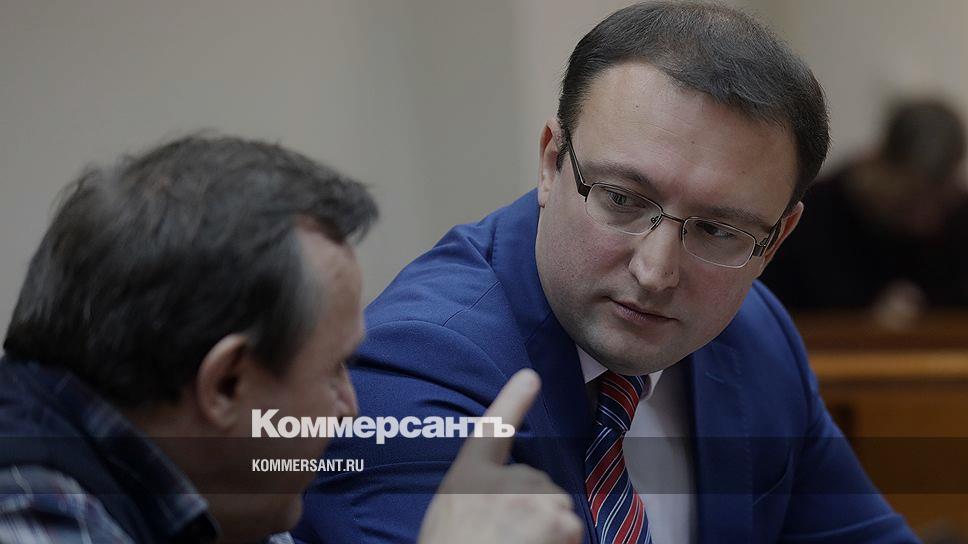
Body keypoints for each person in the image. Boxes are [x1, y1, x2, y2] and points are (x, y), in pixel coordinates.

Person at [294, 2, 919, 543]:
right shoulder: (414, 368)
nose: (656, 272)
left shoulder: (756, 335)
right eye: (622, 199)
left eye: (718, 231)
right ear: (551, 163)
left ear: (776, 238)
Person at [0, 135, 582, 544]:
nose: (352, 408)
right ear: (226, 384)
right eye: (333, 370)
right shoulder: (29, 514)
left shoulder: (228, 494)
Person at [761, 98, 968, 320]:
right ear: (881, 164)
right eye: (908, 201)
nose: (924, 221)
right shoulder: (813, 213)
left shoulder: (959, 219)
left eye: (940, 202)